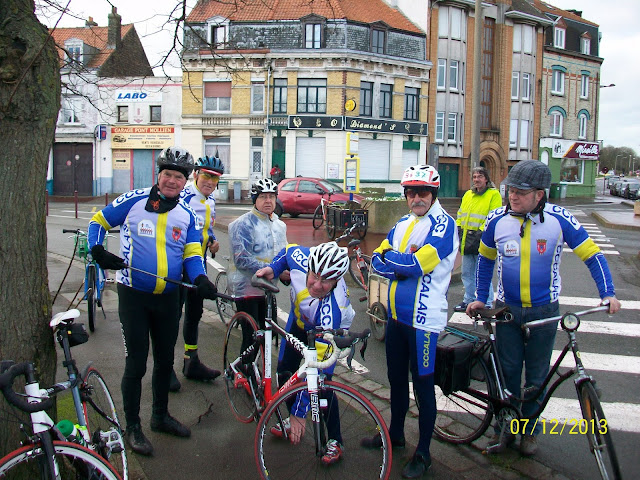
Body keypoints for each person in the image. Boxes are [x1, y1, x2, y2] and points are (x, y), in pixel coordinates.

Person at [466, 160, 621, 456]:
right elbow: (485, 260)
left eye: (521, 192)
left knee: (537, 377)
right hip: (506, 310)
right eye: (511, 189)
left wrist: (608, 294)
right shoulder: (497, 220)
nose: (513, 196)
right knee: (508, 373)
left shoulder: (559, 219)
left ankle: (530, 432)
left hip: (544, 311)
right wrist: (480, 297)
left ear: (540, 195)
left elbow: (593, 255)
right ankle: (504, 429)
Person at [87, 146, 219, 457]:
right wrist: (97, 250)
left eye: (178, 177)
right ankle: (132, 427)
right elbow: (97, 221)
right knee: (136, 364)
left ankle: (160, 417)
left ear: (186, 181)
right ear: (158, 175)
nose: (172, 180)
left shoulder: (186, 214)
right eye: (167, 174)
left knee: (164, 361)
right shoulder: (134, 200)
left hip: (168, 298)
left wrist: (200, 279)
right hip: (133, 296)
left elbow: (191, 255)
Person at [361, 164, 459, 479]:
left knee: (424, 388)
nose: (417, 198)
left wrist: (396, 263)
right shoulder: (403, 223)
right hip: (396, 318)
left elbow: (415, 265)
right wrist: (396, 265)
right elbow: (378, 260)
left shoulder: (444, 225)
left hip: (423, 323)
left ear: (434, 193)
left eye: (423, 192)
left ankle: (424, 453)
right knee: (396, 381)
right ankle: (395, 435)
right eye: (411, 192)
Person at [255, 241, 355, 466]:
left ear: (336, 281)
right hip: (300, 320)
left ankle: (336, 440)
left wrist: (300, 412)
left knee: (322, 387)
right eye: (314, 276)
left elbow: (317, 369)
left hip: (326, 331)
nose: (317, 285)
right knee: (285, 373)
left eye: (326, 281)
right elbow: (286, 252)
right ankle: (292, 417)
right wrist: (273, 268)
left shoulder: (333, 310)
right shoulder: (301, 257)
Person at [170, 155, 224, 389]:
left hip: (198, 265)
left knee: (194, 313)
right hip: (176, 265)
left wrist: (212, 241)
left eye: (215, 178)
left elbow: (206, 228)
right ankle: (166, 367)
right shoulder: (182, 198)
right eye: (206, 176)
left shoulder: (210, 201)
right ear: (195, 175)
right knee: (172, 316)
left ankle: (191, 361)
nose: (210, 182)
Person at [228, 178, 288, 349]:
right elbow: (242, 259)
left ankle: (261, 366)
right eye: (263, 197)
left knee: (268, 335)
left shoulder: (279, 225)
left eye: (271, 196)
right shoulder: (243, 224)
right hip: (246, 289)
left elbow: (284, 253)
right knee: (252, 339)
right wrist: (274, 270)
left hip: (267, 289)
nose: (268, 201)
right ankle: (244, 366)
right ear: (255, 200)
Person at [454, 166, 502, 312]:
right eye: (474, 177)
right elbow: (461, 213)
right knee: (467, 273)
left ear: (486, 179)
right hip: (466, 238)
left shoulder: (493, 194)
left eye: (480, 176)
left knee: (481, 273)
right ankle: (468, 299)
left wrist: (480, 233)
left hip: (482, 238)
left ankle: (486, 302)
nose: (476, 180)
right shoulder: (468, 194)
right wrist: (459, 228)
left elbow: (494, 215)